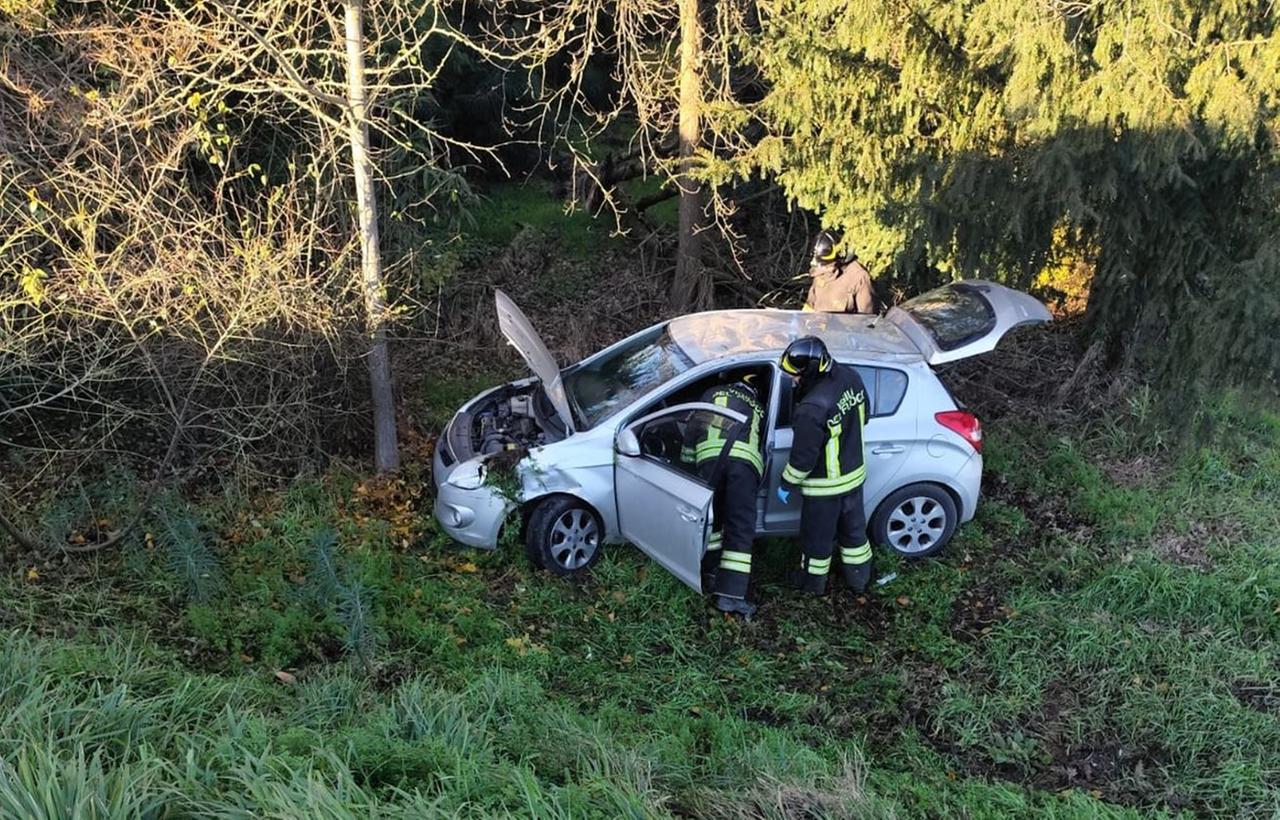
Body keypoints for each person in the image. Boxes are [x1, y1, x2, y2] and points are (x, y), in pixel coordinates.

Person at [774, 336, 873, 594]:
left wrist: (786, 483)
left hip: (825, 487)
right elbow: (865, 415)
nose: (792, 379)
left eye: (795, 375)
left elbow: (803, 459)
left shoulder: (811, 408)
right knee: (854, 532)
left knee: (817, 540)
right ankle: (859, 579)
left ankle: (812, 585)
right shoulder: (850, 377)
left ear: (809, 372)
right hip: (854, 476)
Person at [681, 373, 765, 618]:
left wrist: (686, 463)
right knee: (740, 528)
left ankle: (709, 571)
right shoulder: (758, 407)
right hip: (744, 467)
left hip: (710, 461)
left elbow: (694, 427)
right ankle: (730, 596)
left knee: (712, 521)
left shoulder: (712, 393)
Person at [803, 230, 876, 314]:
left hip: (845, 323)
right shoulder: (820, 274)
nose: (822, 269)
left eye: (827, 265)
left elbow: (867, 318)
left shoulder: (859, 278)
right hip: (819, 322)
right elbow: (809, 308)